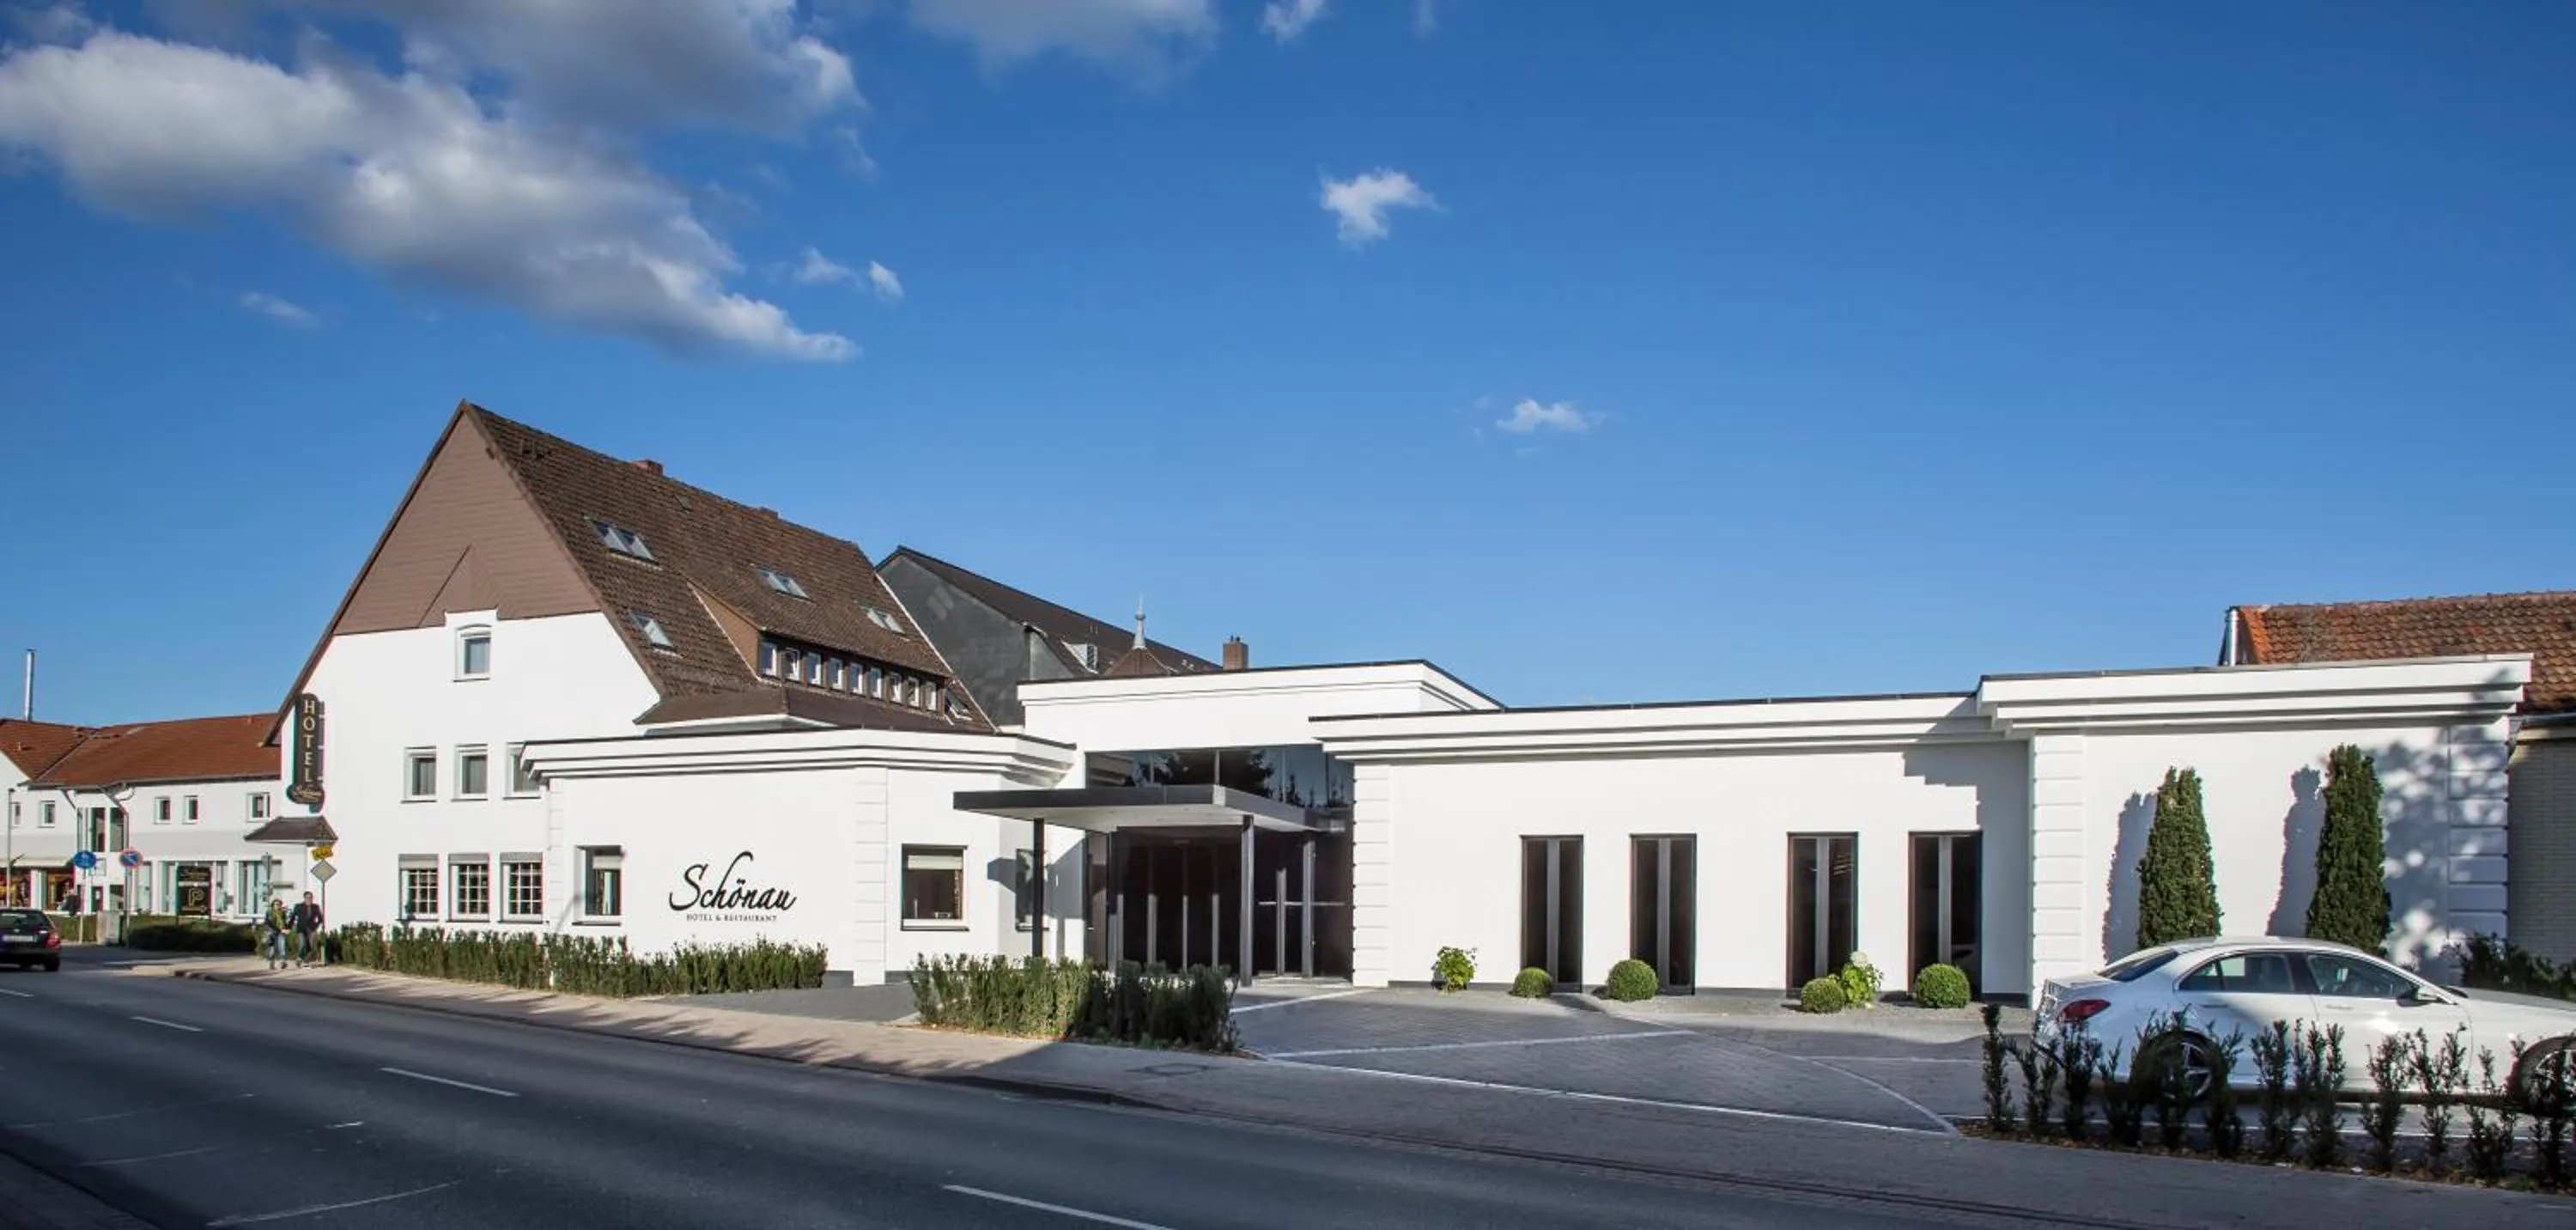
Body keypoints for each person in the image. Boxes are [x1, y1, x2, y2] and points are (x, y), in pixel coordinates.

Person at [289, 891, 324, 967]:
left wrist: (316, 926)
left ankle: (306, 961)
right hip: (301, 929)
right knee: (302, 944)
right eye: (307, 897)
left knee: (310, 946)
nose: (309, 899)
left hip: (311, 929)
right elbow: (293, 917)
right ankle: (299, 958)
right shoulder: (298, 906)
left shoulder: (316, 907)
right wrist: (288, 927)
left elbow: (320, 918)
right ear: (304, 898)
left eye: (311, 897)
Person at [263, 896, 291, 970]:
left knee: (282, 947)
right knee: (272, 950)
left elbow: (285, 923)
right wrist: (281, 930)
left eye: (279, 904)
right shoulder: (269, 912)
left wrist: (288, 929)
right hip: (271, 932)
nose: (278, 906)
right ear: (273, 905)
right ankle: (271, 963)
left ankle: (282, 962)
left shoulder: (283, 913)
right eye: (276, 904)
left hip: (281, 932)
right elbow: (269, 923)